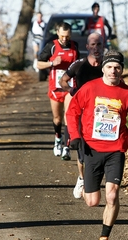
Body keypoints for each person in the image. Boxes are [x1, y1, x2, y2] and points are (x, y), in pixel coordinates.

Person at [66, 50, 128, 240]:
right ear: (103, 68)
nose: (114, 71)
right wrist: (75, 136)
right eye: (110, 67)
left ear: (122, 70)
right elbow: (72, 111)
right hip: (92, 149)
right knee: (92, 201)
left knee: (112, 195)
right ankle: (84, 180)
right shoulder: (89, 88)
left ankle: (104, 239)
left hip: (116, 150)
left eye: (117, 67)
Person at [59, 32, 105, 199]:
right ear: (87, 47)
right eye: (92, 45)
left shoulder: (108, 66)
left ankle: (95, 178)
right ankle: (81, 177)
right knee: (82, 151)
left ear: (103, 45)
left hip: (101, 113)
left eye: (99, 44)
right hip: (81, 113)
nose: (96, 48)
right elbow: (62, 81)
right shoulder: (78, 65)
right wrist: (72, 92)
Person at [37, 22, 79, 159]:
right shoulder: (51, 45)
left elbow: (78, 65)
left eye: (67, 36)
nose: (65, 39)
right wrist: (51, 63)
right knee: (57, 118)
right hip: (55, 88)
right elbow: (38, 64)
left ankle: (66, 146)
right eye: (62, 36)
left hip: (69, 87)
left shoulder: (74, 46)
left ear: (70, 34)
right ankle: (57, 140)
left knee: (68, 115)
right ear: (57, 33)